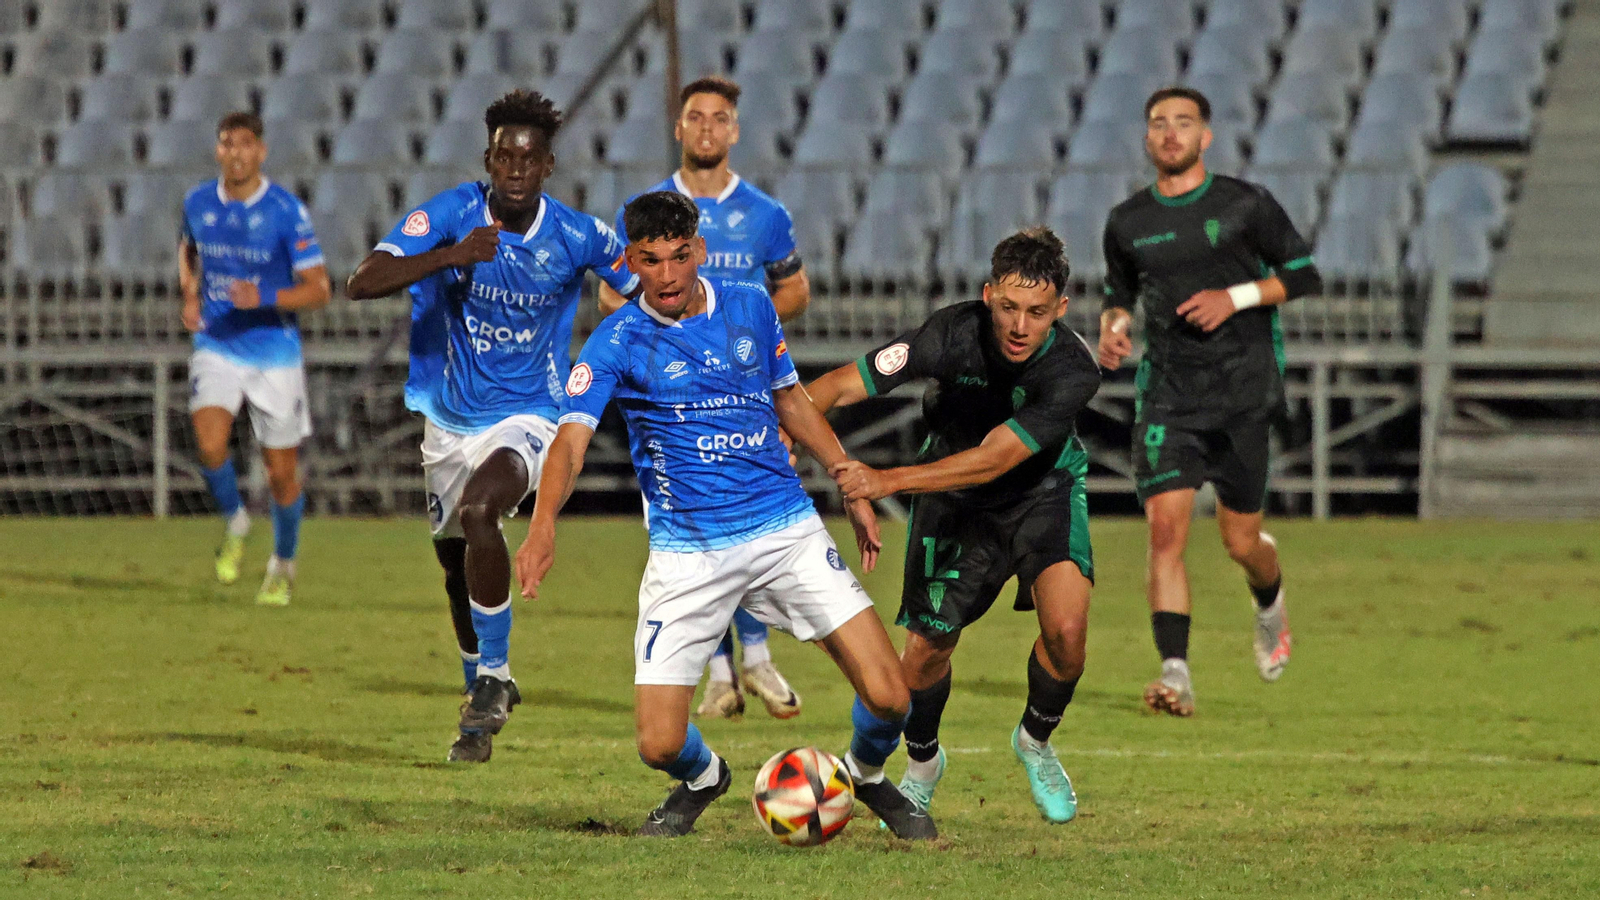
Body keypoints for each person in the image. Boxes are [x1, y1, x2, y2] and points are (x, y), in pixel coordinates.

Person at [514, 191, 935, 840]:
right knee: (659, 743)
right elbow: (570, 443)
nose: (667, 275)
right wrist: (543, 526)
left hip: (785, 531)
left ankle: (866, 775)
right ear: (630, 262)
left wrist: (846, 477)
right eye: (650, 261)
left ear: (701, 251)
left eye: (680, 256)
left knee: (891, 697)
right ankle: (705, 777)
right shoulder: (616, 342)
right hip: (689, 555)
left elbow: (789, 399)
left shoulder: (750, 305)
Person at [346, 90, 640, 762]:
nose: (514, 169)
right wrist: (449, 256)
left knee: (481, 511)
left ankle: (496, 676)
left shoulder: (576, 235)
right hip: (449, 419)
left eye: (528, 159)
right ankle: (478, 712)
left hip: (531, 414)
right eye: (504, 157)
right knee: (456, 568)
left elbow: (645, 286)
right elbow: (363, 280)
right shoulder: (452, 214)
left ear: (547, 167)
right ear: (488, 159)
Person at [805, 228, 1101, 824]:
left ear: (1061, 310)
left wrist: (887, 481)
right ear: (988, 295)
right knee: (924, 654)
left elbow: (995, 458)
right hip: (954, 503)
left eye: (1037, 312)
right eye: (1008, 307)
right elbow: (838, 385)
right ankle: (922, 765)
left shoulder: (1073, 370)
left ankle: (1035, 740)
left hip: (1041, 492)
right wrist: (788, 431)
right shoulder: (950, 334)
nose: (1019, 326)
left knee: (1067, 634)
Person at [1098, 87, 1323, 717]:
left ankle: (1269, 603)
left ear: (1206, 136)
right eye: (1158, 123)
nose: (1170, 133)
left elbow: (1304, 274)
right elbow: (1119, 292)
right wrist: (1114, 326)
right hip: (1168, 397)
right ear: (1147, 137)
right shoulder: (1127, 221)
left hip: (1243, 392)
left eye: (1184, 122)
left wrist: (1236, 297)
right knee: (1165, 532)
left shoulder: (1245, 204)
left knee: (1240, 542)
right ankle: (1176, 674)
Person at [600, 76, 812, 721]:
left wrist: (741, 330)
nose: (707, 129)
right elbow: (610, 293)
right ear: (679, 127)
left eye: (719, 118)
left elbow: (796, 290)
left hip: (744, 395)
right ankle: (722, 675)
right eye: (695, 117)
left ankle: (757, 660)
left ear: (735, 130)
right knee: (695, 529)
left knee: (752, 514)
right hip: (671, 402)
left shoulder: (766, 214)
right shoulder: (646, 213)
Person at [179, 111, 331, 607]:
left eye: (245, 144)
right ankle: (236, 519)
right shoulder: (197, 202)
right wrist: (190, 294)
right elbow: (188, 249)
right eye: (227, 144)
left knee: (281, 474)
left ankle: (283, 563)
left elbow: (320, 289)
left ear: (261, 151)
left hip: (274, 354)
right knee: (209, 444)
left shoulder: (286, 211)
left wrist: (262, 296)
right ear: (218, 151)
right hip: (217, 344)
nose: (236, 153)